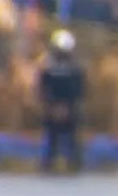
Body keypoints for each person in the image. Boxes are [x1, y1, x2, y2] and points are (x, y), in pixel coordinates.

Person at [39, 29, 85, 172]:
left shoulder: (76, 70)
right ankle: (49, 160)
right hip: (51, 110)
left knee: (73, 134)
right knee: (52, 135)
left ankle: (74, 160)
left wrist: (67, 108)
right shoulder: (47, 69)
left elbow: (79, 92)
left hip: (70, 110)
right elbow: (43, 91)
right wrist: (52, 107)